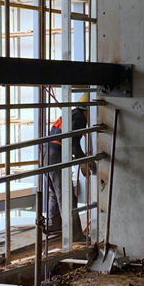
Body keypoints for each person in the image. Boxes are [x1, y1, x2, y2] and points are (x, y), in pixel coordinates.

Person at [44, 94, 93, 239]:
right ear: (89, 109)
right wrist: (83, 160)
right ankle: (75, 234)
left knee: (55, 192)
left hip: (47, 154)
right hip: (56, 155)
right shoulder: (79, 118)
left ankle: (54, 225)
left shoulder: (71, 114)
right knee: (66, 195)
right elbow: (71, 140)